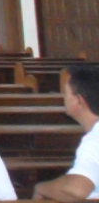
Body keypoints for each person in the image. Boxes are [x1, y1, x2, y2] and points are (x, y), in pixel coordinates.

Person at [35, 64, 99, 200]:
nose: (63, 97)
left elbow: (76, 190)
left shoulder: (94, 139)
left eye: (65, 92)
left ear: (79, 100)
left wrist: (41, 188)